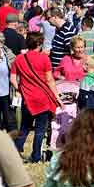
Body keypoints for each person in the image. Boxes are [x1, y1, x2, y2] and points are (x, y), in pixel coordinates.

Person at [11, 32, 61, 163]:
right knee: (40, 129)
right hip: (43, 98)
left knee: (24, 128)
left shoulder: (19, 59)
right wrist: (57, 97)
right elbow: (50, 80)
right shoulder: (44, 59)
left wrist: (20, 89)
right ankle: (36, 156)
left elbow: (12, 79)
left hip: (27, 99)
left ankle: (16, 152)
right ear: (39, 43)